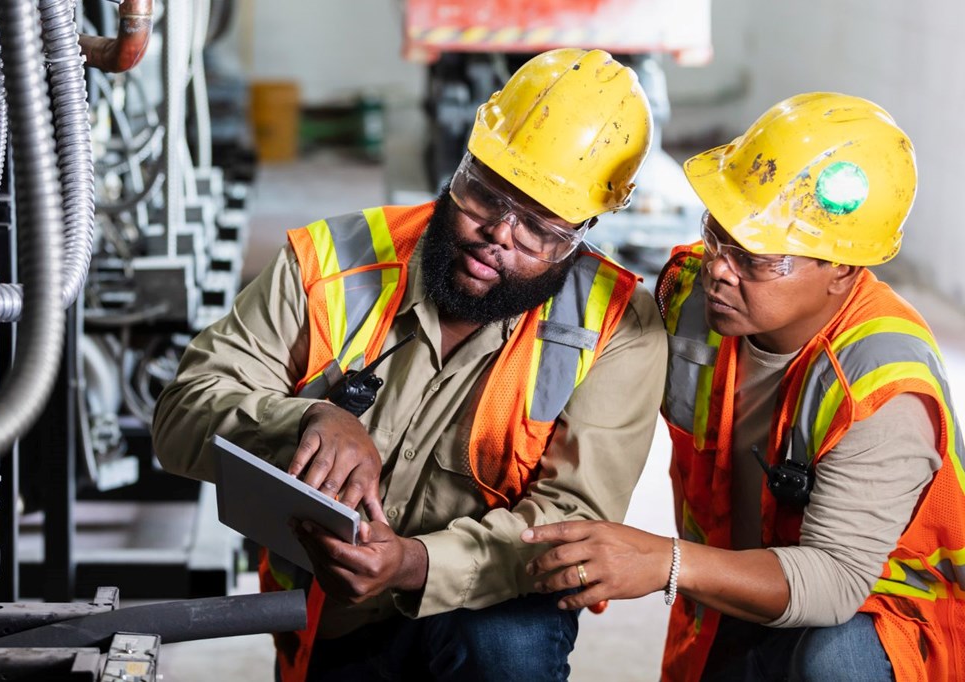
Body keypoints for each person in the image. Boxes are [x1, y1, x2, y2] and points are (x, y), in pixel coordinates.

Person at [153, 48, 666, 681]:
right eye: (486, 194)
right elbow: (180, 416)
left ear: (583, 232)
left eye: (539, 228)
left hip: (494, 600)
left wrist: (416, 565)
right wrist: (305, 420)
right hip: (329, 599)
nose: (499, 235)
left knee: (505, 651)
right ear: (463, 161)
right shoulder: (332, 263)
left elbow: (572, 524)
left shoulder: (618, 329)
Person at [522, 92, 965, 682]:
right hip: (738, 589)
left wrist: (663, 561)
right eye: (717, 234)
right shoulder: (691, 302)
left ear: (842, 269)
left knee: (835, 663)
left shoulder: (882, 387)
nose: (719, 268)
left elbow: (833, 580)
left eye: (756, 257)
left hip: (880, 621)